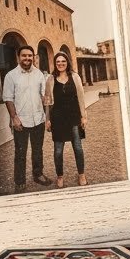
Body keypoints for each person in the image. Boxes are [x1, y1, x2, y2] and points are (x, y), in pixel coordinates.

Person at [2, 45, 51, 192]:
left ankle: (38, 174)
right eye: (24, 56)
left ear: (33, 57)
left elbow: (44, 97)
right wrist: (14, 118)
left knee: (38, 150)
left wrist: (47, 114)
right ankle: (20, 180)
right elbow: (8, 99)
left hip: (38, 119)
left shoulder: (39, 75)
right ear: (18, 57)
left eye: (30, 56)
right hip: (21, 121)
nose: (27, 58)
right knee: (20, 152)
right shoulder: (11, 76)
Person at [44, 51, 88, 188]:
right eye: (58, 62)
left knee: (78, 148)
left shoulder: (75, 77)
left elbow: (81, 97)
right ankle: (60, 176)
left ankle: (81, 174)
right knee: (58, 150)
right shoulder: (50, 79)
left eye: (63, 61)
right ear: (55, 64)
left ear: (67, 62)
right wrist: (47, 119)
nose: (60, 64)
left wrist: (84, 116)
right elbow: (47, 101)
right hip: (57, 119)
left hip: (74, 117)